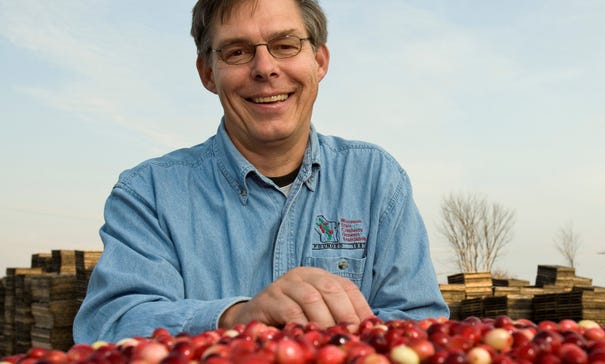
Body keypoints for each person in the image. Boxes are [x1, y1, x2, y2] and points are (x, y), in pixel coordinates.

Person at [73, 0, 448, 344]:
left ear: (319, 62)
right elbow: (107, 325)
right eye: (237, 52)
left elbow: (419, 324)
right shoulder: (148, 194)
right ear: (208, 73)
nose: (265, 68)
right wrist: (235, 317)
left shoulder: (376, 180)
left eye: (285, 45)